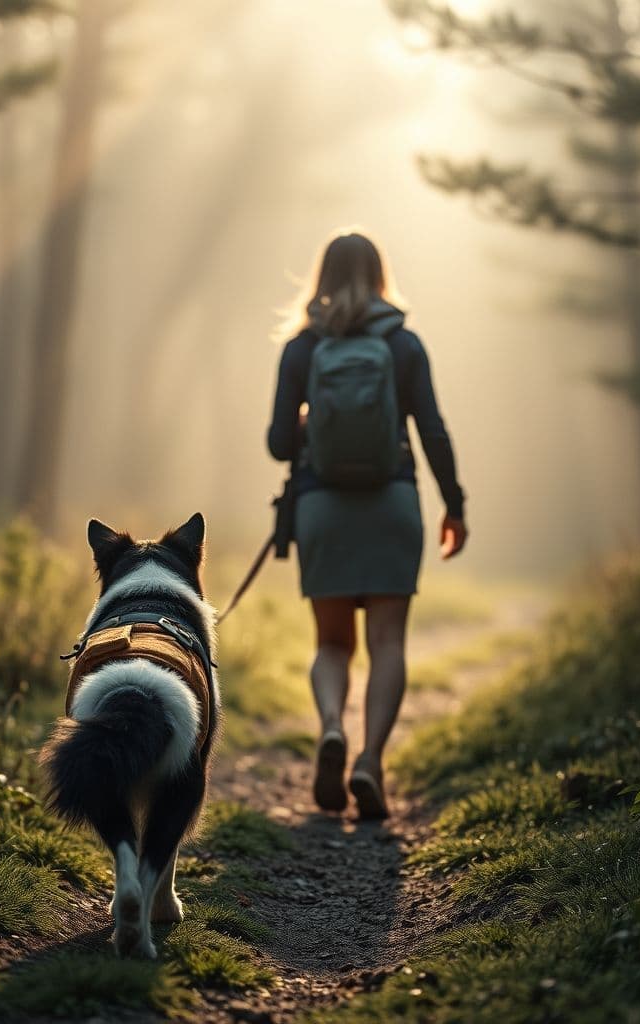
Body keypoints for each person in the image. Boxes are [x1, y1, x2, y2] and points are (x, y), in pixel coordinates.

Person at [267, 231, 467, 819]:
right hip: (392, 503)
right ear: (381, 275)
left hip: (322, 508)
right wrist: (454, 504)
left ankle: (332, 727)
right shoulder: (403, 344)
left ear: (320, 276)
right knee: (387, 643)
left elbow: (280, 443)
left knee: (331, 643)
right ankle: (370, 761)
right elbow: (432, 429)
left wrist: (311, 424)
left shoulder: (303, 349)